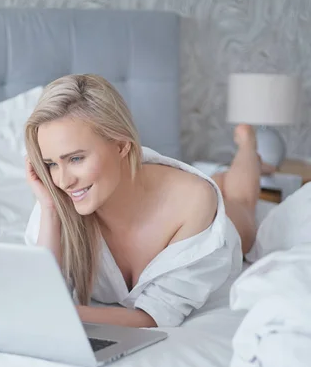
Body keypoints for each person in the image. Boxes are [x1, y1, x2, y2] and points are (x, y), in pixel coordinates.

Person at [24, 74, 261, 328]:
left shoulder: (194, 201)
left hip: (185, 199)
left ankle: (247, 146)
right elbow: (42, 293)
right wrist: (49, 210)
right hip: (141, 183)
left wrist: (64, 314)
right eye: (51, 164)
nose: (63, 180)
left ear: (122, 146)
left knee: (241, 202)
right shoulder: (58, 197)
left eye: (76, 159)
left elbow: (154, 316)